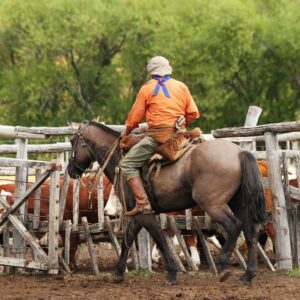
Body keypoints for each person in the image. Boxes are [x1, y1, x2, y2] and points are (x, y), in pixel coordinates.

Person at [120, 56, 200, 216]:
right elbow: (193, 114)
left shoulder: (146, 89)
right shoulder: (181, 86)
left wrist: (126, 134)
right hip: (179, 136)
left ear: (152, 73)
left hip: (158, 137)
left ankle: (143, 203)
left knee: (127, 164)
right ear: (167, 70)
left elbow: (134, 118)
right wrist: (183, 121)